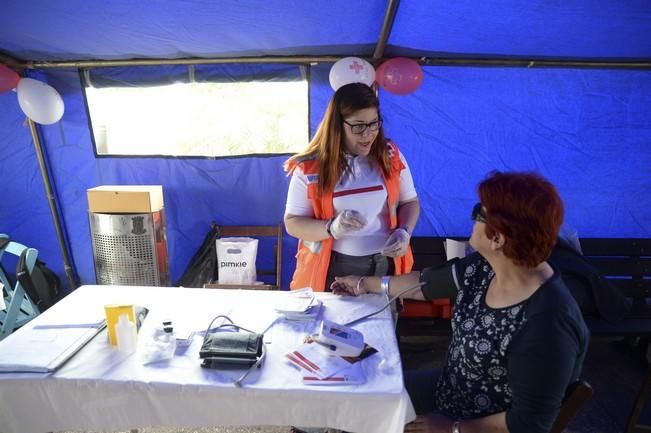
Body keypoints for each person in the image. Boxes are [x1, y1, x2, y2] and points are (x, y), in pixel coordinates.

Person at [332, 171, 590, 433]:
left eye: (479, 212)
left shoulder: (547, 323)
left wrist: (453, 428)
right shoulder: (485, 267)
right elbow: (426, 284)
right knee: (363, 394)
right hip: (450, 388)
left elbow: (528, 424)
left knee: (367, 415)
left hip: (473, 424)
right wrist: (363, 284)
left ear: (498, 238)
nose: (472, 217)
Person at [284, 82, 420, 292]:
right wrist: (331, 227)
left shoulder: (390, 154)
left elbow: (410, 202)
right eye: (358, 126)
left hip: (384, 266)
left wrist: (405, 231)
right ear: (338, 124)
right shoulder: (309, 167)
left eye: (374, 123)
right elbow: (292, 223)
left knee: (381, 325)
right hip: (332, 269)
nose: (368, 134)